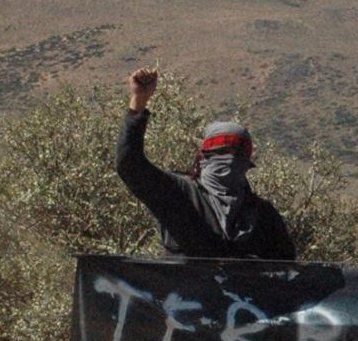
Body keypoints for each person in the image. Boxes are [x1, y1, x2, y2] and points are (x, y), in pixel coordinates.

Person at [115, 68, 295, 260]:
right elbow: (130, 164)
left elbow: (286, 272)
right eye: (221, 154)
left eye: (237, 156)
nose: (229, 162)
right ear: (203, 157)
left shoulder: (264, 216)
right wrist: (138, 101)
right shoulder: (178, 194)